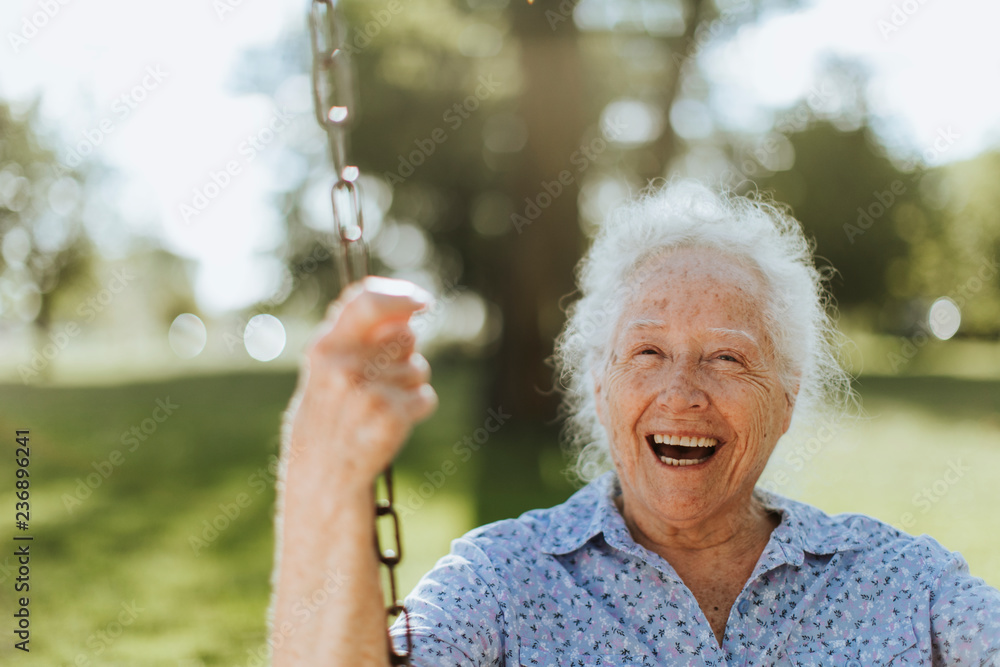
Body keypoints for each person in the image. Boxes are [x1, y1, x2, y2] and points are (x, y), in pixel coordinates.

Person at [269, 181, 1000, 665]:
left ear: (787, 395)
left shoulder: (904, 583)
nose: (681, 392)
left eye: (726, 357)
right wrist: (322, 479)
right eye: (647, 352)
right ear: (598, 383)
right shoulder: (500, 580)